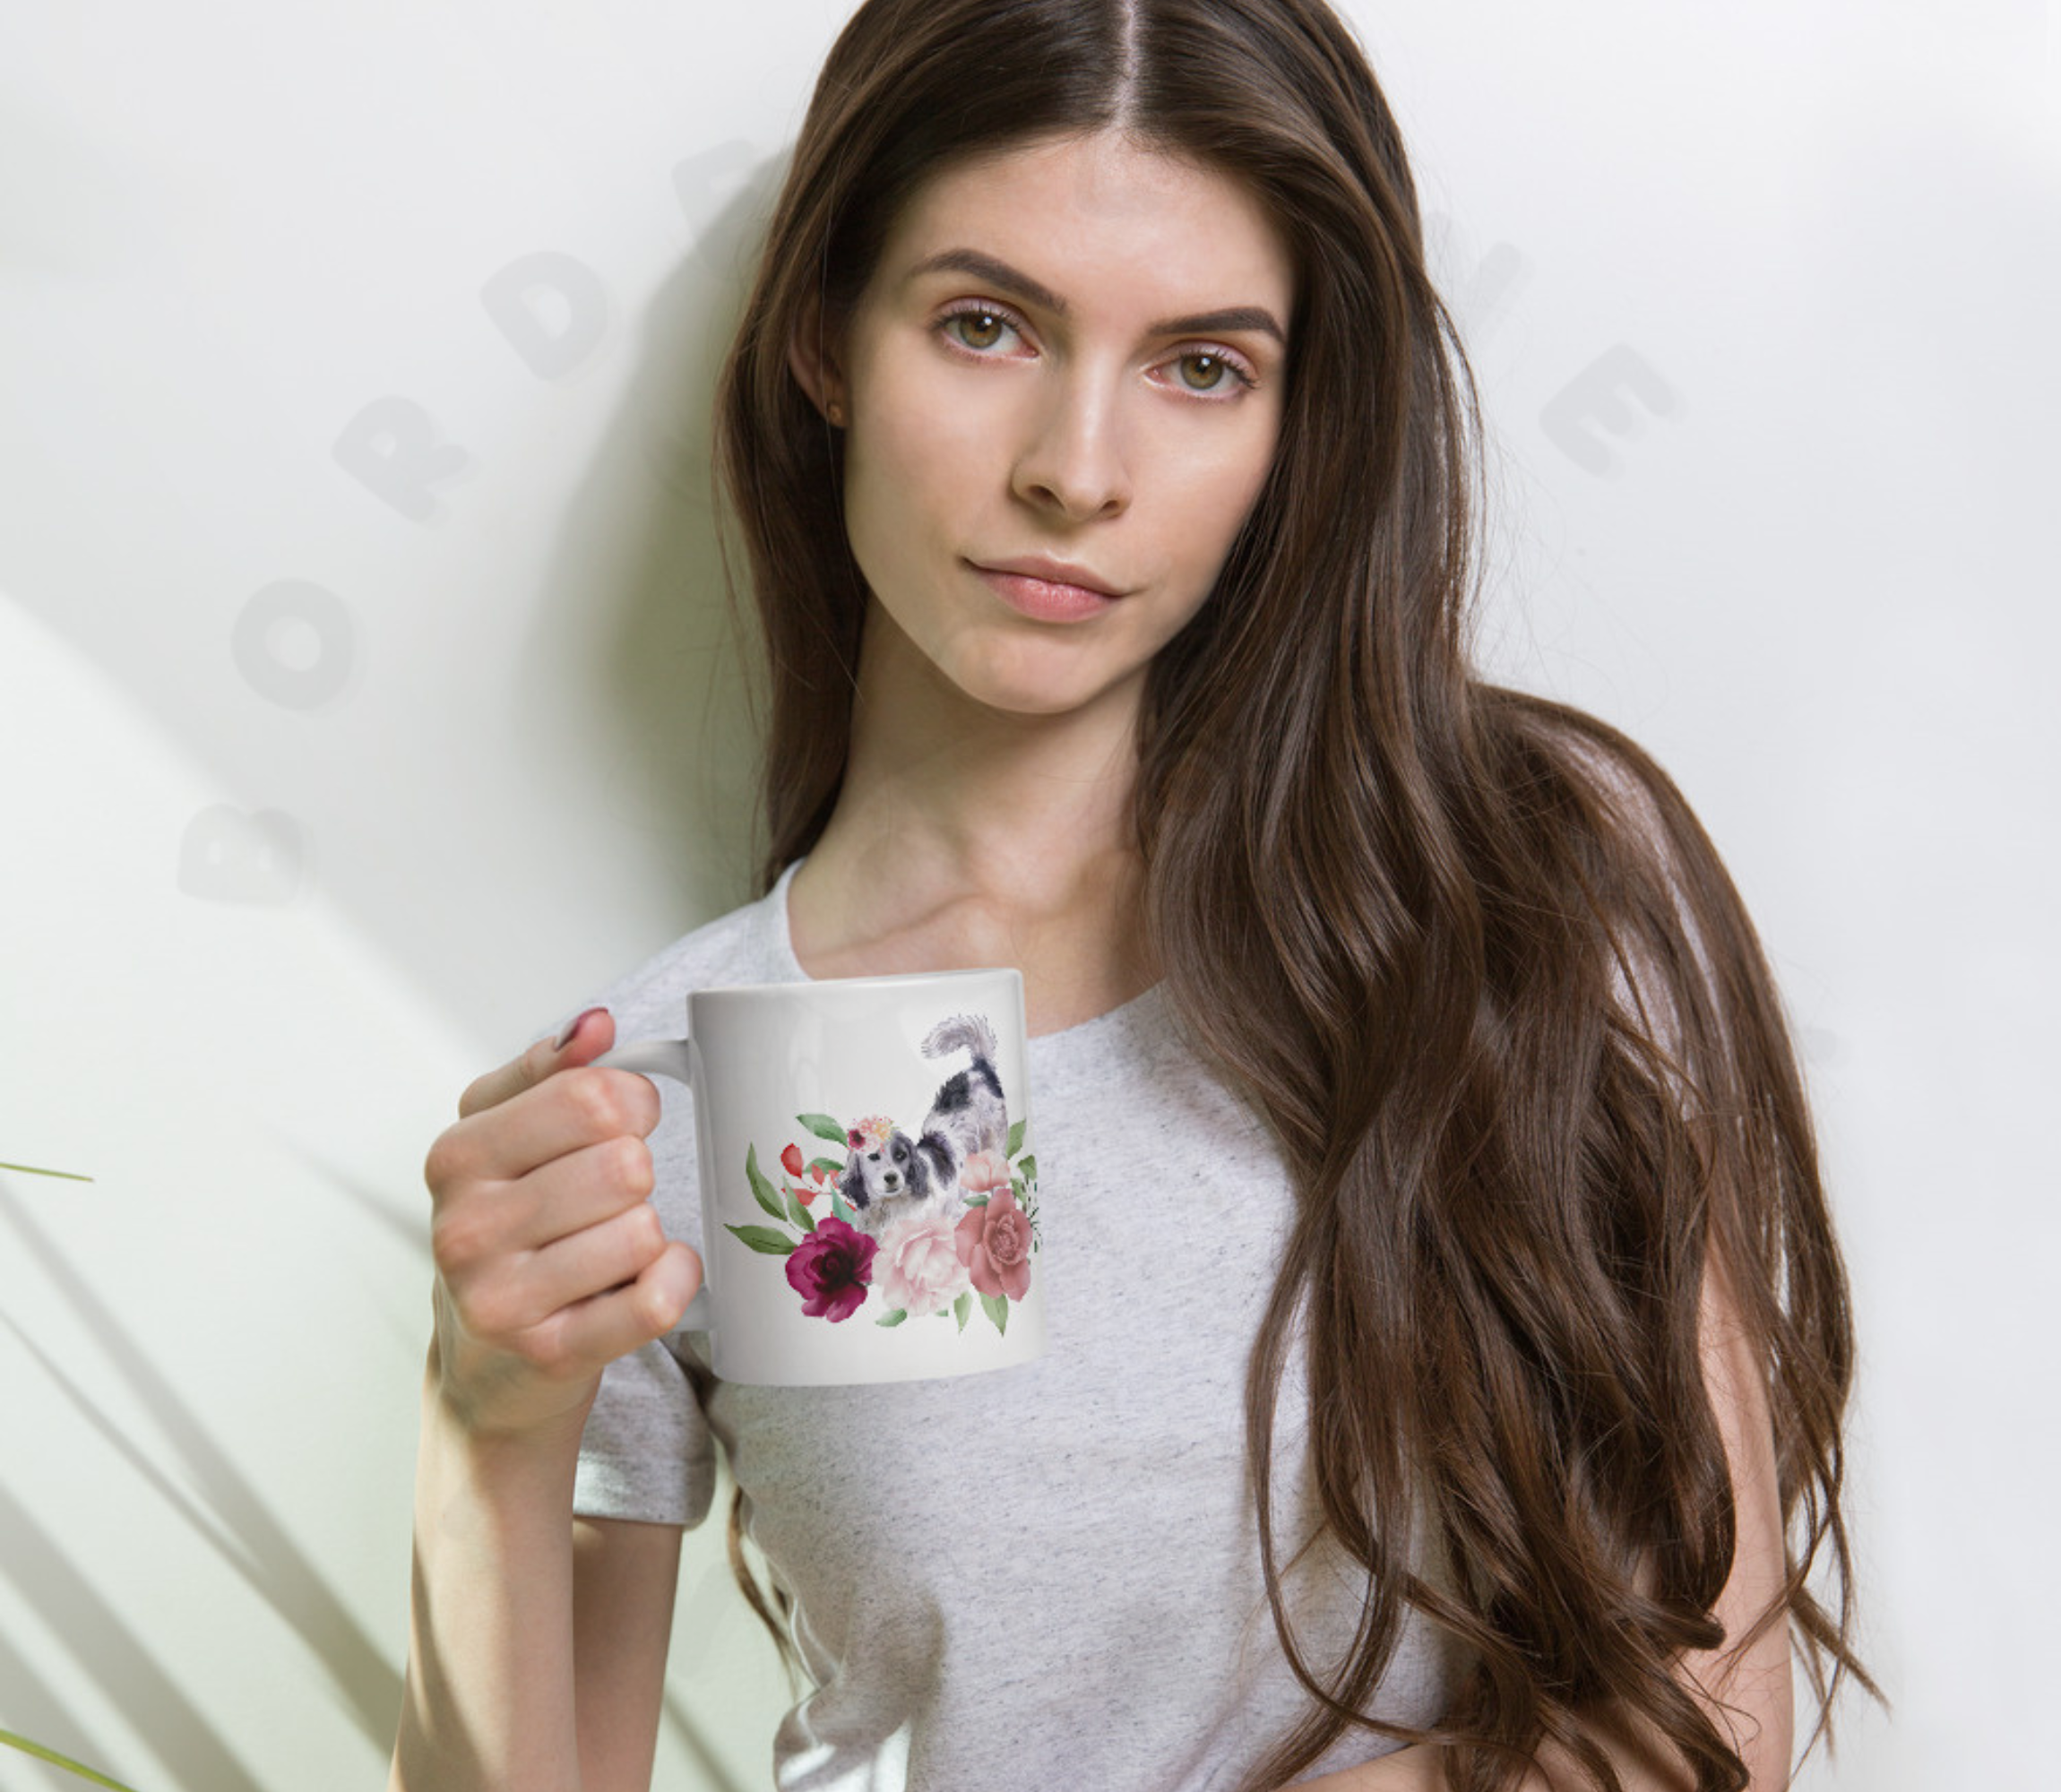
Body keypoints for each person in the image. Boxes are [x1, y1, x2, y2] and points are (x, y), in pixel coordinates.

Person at [386, 1, 1877, 1788]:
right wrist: (489, 1424)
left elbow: (1711, 1715)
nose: (1072, 471)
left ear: (1297, 421)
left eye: (1200, 366)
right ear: (823, 340)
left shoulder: (1522, 887)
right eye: (984, 324)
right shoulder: (671, 1094)